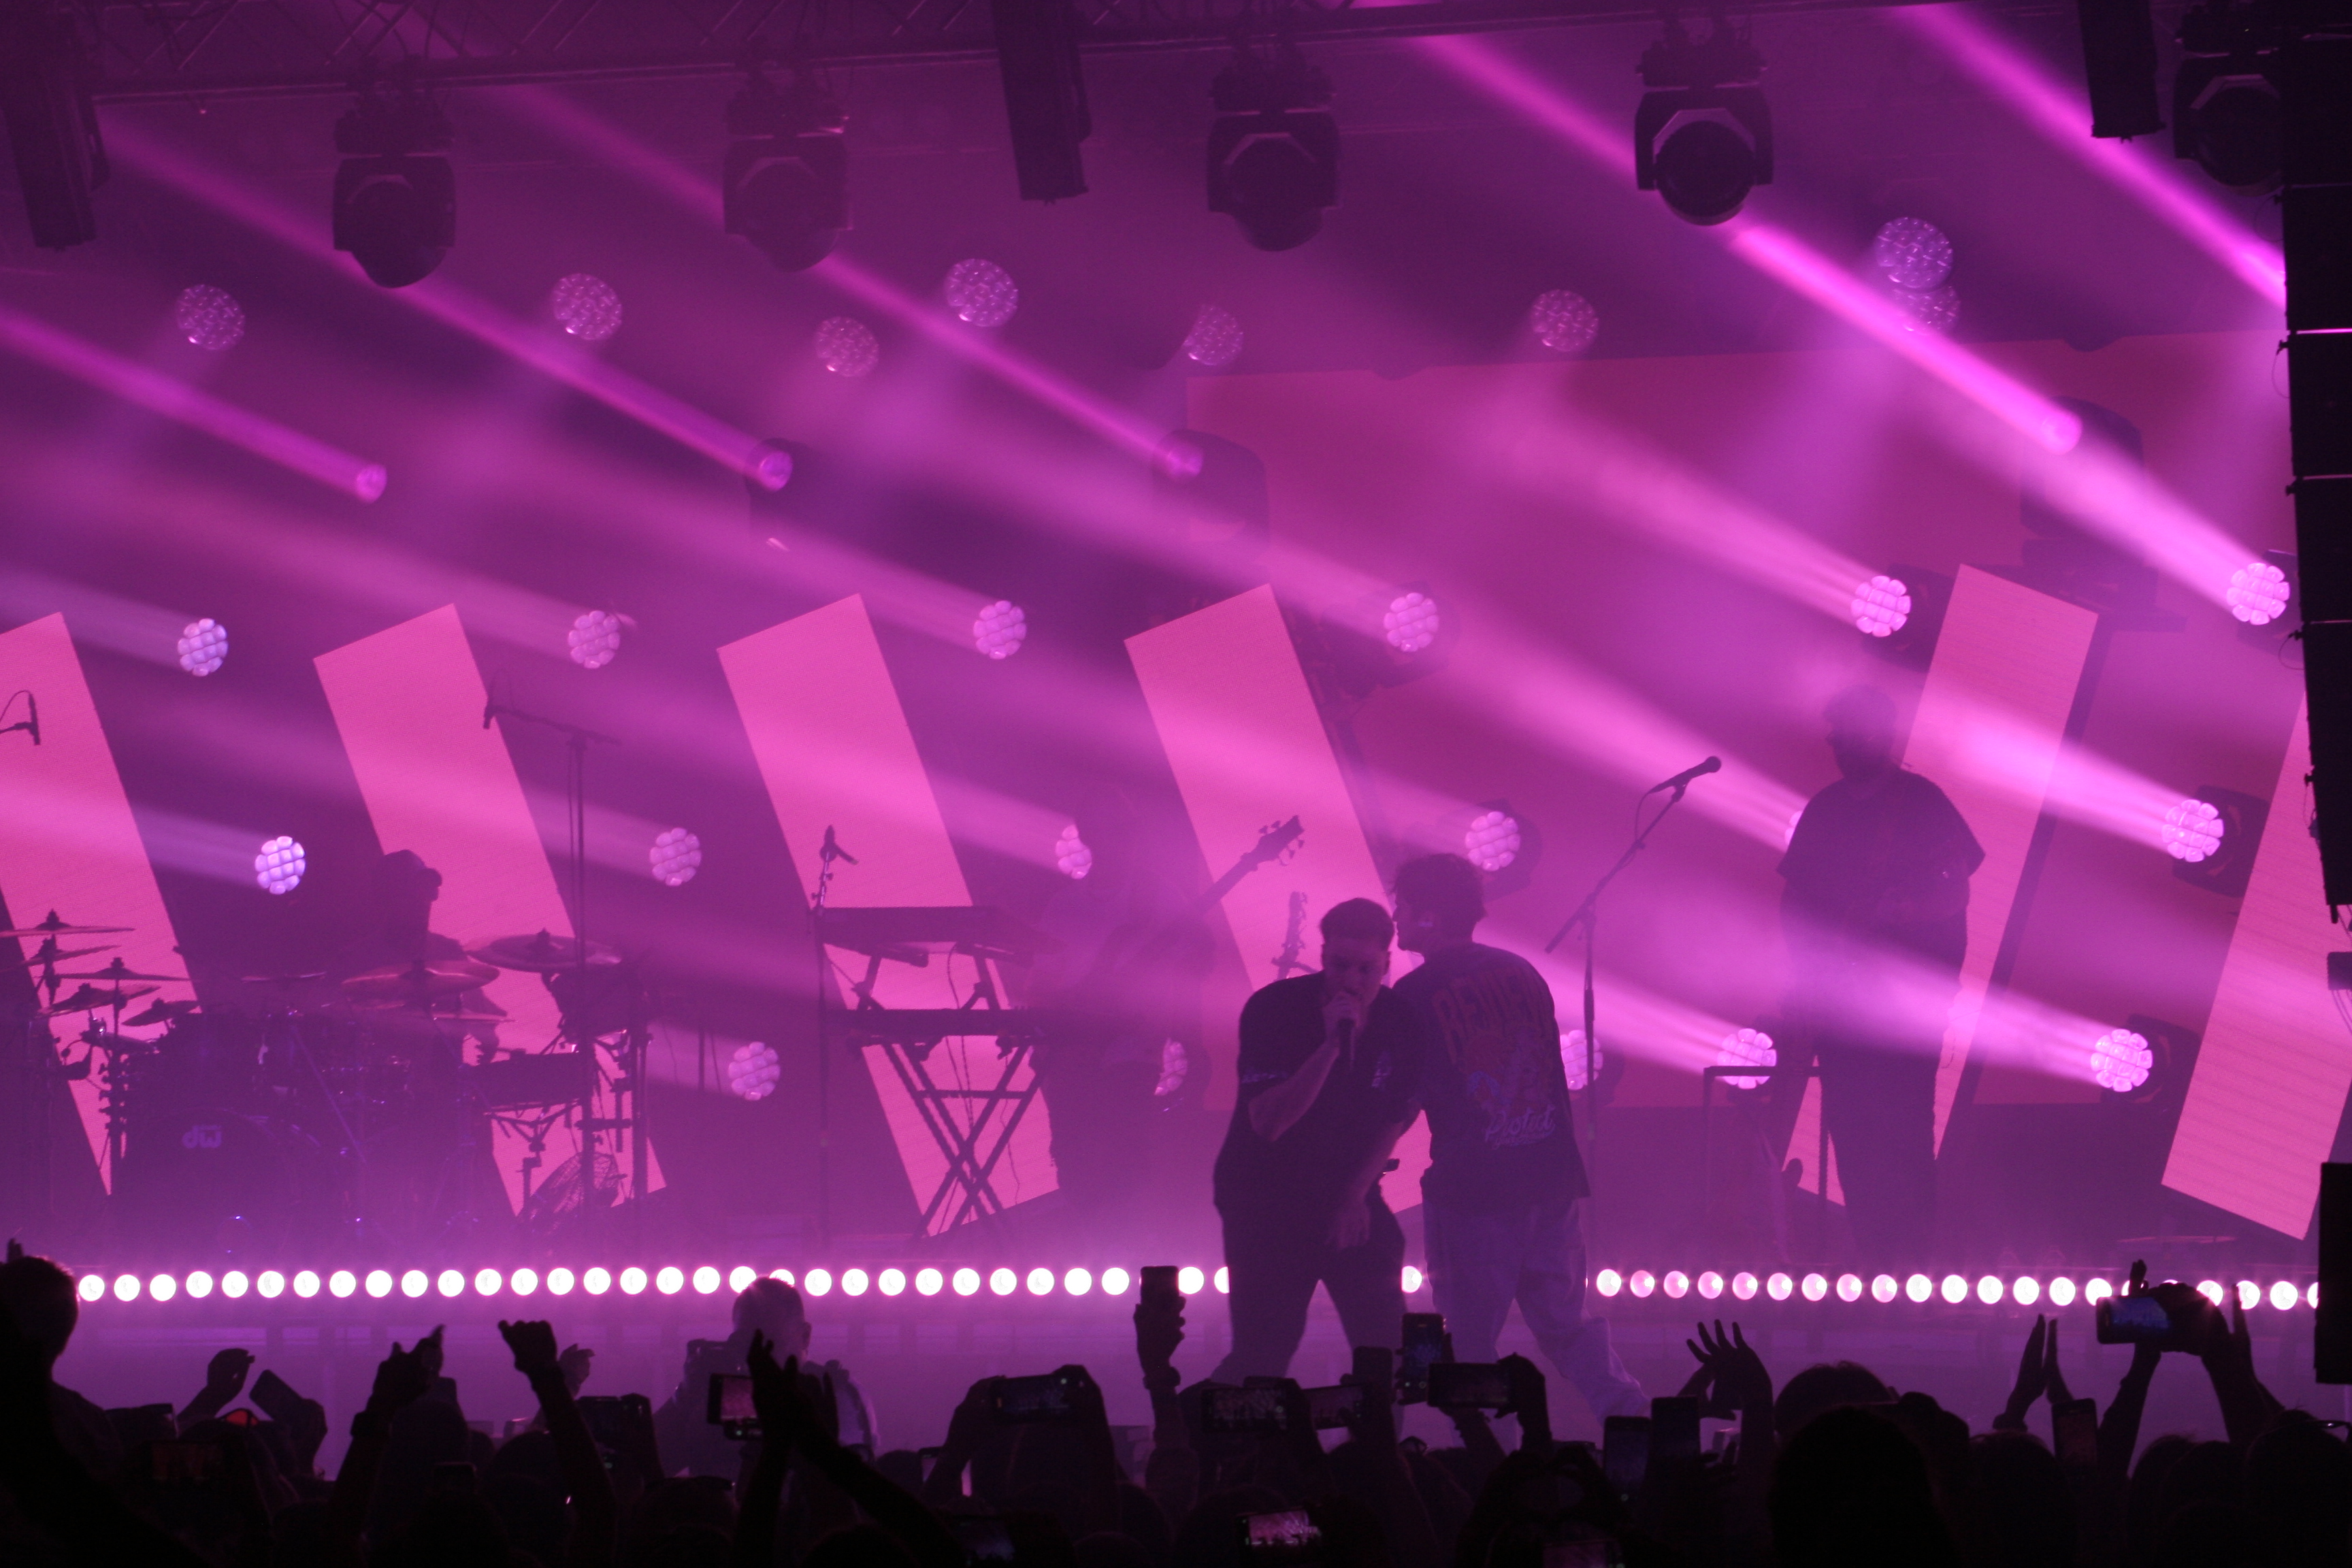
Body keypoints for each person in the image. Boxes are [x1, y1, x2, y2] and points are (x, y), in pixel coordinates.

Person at [1390, 853, 1644, 1422]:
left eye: (1402, 906)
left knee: (1469, 1343)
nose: (1396, 918)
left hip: (1474, 1193)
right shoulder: (1522, 973)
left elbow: (1403, 1100)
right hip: (1549, 1179)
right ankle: (1635, 1421)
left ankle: (1491, 1458)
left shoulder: (1414, 993)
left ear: (1429, 916)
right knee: (1568, 1326)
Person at [1778, 685, 1982, 1265]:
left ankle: (1910, 1262)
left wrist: (1905, 912)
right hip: (1840, 1007)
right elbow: (1795, 903)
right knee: (1851, 1129)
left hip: (1906, 1007)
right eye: (1835, 734)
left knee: (1905, 1131)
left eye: (1846, 732)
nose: (1836, 743)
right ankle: (1875, 1257)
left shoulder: (1921, 802)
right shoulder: (1825, 810)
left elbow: (1955, 890)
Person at [1209, 897, 1416, 1382]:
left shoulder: (1401, 1021)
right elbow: (1269, 1123)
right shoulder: (1274, 1009)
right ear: (1323, 956)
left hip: (1346, 1191)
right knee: (1264, 1353)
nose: (1352, 981)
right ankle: (1196, 1423)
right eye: (1340, 966)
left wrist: (1355, 1195)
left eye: (1367, 970)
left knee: (1390, 1349)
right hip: (1265, 1196)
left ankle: (1380, 1429)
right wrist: (1330, 1047)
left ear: (1386, 964)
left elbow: (1395, 1116)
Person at [654, 1276, 875, 1478]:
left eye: (770, 1342)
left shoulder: (832, 1392)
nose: (757, 1352)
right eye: (746, 1341)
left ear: (805, 1336)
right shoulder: (721, 1394)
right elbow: (651, 1465)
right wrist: (686, 1397)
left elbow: (844, 1475)